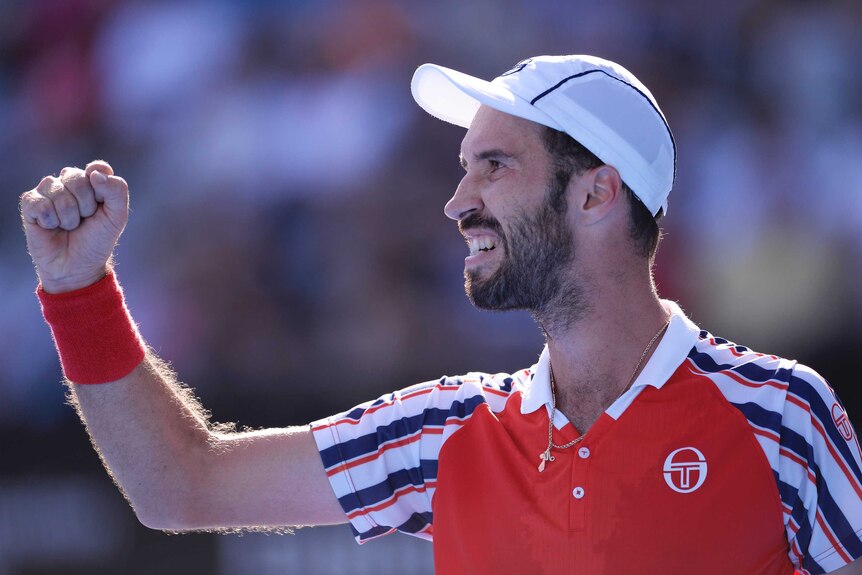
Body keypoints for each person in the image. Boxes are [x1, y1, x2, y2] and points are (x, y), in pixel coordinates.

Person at [19, 54, 862, 574]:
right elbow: (178, 484)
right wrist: (79, 291)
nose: (458, 201)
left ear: (599, 191)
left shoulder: (783, 417)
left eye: (493, 165)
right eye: (464, 168)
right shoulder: (446, 431)